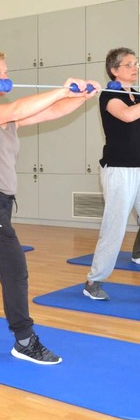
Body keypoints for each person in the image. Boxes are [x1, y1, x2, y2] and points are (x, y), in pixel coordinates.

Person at [0, 49, 99, 365]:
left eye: (6, 71)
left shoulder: (5, 118)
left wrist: (83, 96)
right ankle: (24, 340)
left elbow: (50, 112)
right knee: (14, 268)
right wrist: (63, 89)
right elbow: (23, 106)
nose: (5, 76)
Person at [84, 47, 140, 300]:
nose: (135, 68)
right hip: (119, 169)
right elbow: (127, 116)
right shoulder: (109, 94)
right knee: (114, 227)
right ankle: (93, 281)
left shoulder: (137, 94)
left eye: (136, 63)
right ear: (114, 70)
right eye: (129, 64)